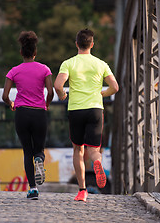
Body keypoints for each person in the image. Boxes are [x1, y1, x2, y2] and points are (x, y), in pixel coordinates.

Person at [54, 29, 119, 202]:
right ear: (92, 44)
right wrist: (102, 94)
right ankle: (97, 162)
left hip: (76, 110)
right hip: (95, 109)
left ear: (76, 44)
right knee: (93, 150)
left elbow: (58, 85)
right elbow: (115, 87)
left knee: (78, 149)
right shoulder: (101, 64)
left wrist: (61, 95)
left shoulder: (68, 63)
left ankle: (82, 191)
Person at [2, 31, 54, 200]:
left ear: (21, 52)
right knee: (39, 149)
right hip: (39, 113)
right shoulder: (44, 69)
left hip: (22, 114)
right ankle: (39, 159)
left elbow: (4, 95)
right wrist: (45, 104)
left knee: (27, 151)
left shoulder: (14, 71)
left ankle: (33, 189)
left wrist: (11, 104)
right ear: (35, 52)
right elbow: (51, 92)